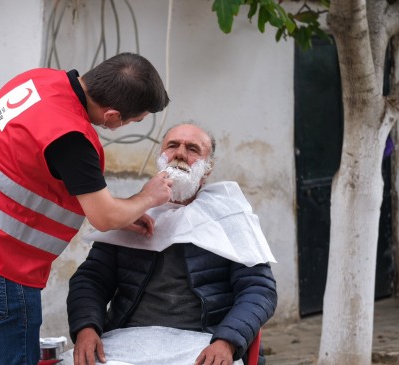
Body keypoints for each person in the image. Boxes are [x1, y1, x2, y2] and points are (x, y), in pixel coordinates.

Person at [0, 53, 172, 365]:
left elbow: (28, 171)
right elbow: (104, 216)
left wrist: (123, 211)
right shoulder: (72, 138)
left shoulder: (36, 81)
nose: (127, 125)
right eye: (133, 120)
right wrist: (147, 197)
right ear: (112, 115)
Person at [66, 123, 278, 365]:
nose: (180, 153)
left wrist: (227, 341)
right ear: (160, 157)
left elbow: (259, 291)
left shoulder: (230, 217)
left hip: (204, 342)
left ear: (208, 169)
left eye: (192, 149)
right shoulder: (130, 212)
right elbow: (91, 279)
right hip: (128, 341)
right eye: (172, 145)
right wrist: (86, 328)